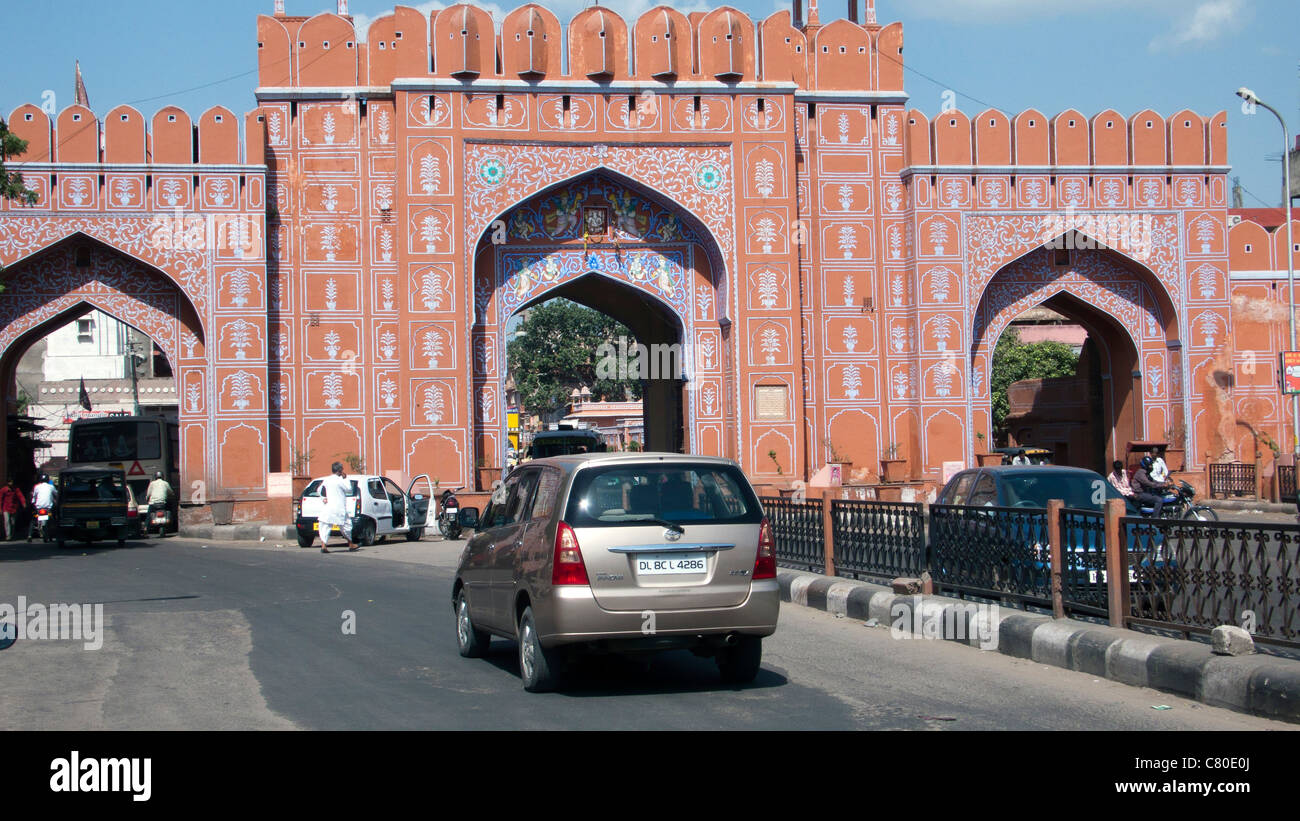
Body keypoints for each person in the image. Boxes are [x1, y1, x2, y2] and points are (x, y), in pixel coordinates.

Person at [316, 462, 356, 554]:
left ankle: (323, 546)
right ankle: (351, 544)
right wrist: (346, 478)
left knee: (324, 526)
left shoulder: (327, 479)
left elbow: (319, 490)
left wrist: (323, 498)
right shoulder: (340, 480)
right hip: (339, 508)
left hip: (328, 507)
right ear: (340, 470)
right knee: (346, 526)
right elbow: (349, 489)